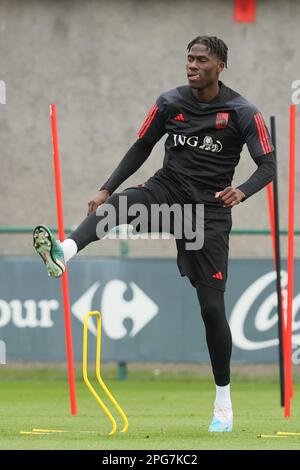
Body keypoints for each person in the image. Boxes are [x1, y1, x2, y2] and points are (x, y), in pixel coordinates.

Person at [33, 35, 275, 433]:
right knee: (119, 206)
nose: (192, 65)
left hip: (207, 214)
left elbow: (268, 165)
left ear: (220, 66)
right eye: (189, 58)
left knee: (212, 309)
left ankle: (223, 406)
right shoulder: (169, 102)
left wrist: (242, 190)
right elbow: (142, 145)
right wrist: (106, 187)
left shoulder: (242, 111)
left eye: (201, 60)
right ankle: (65, 250)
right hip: (168, 192)